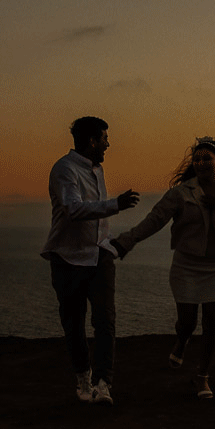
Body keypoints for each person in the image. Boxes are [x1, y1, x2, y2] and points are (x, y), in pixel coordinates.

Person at [112, 137, 215, 400]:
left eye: (206, 158)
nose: (200, 163)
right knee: (187, 321)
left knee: (213, 319)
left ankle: (202, 377)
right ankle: (183, 339)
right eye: (196, 159)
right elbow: (155, 220)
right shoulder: (180, 193)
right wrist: (125, 242)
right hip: (187, 264)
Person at [41, 116, 140, 405]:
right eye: (105, 139)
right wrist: (115, 205)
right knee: (73, 323)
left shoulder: (97, 170)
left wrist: (108, 243)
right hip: (67, 258)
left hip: (99, 254)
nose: (109, 144)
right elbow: (73, 209)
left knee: (105, 320)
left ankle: (103, 383)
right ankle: (83, 378)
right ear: (92, 141)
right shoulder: (64, 169)